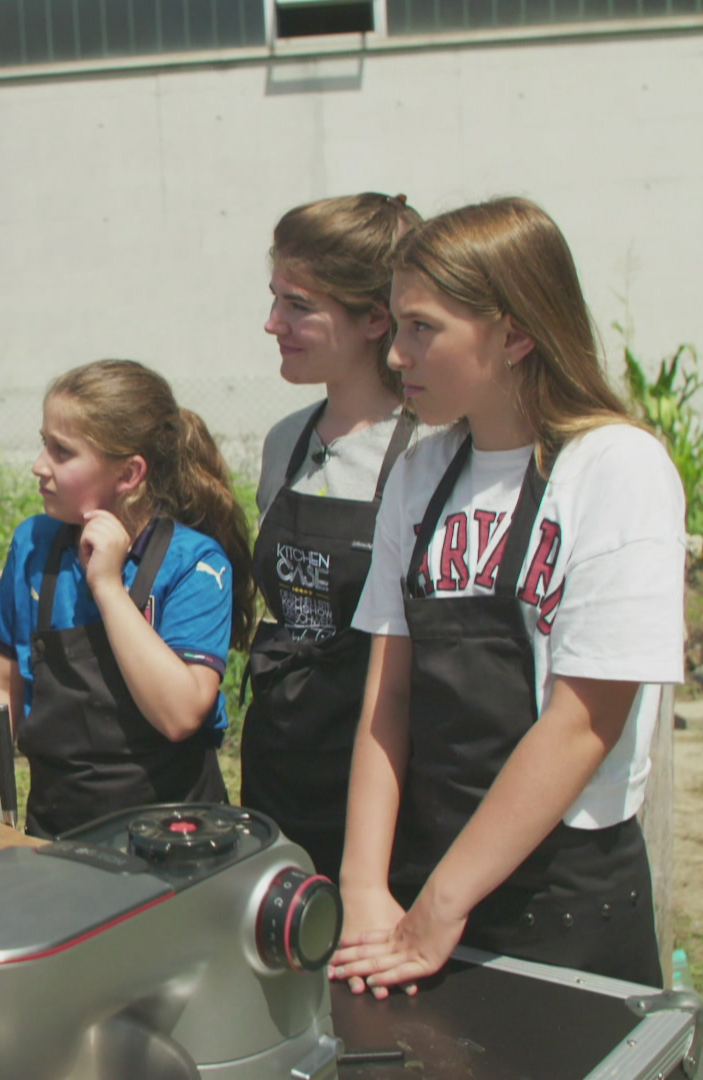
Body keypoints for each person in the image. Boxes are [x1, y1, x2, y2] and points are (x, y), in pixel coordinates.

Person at [330, 198, 686, 996]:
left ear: (516, 333)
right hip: (425, 883)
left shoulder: (615, 470)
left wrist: (440, 908)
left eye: (423, 328)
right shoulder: (419, 478)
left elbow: (584, 721)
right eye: (394, 325)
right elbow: (386, 702)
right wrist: (364, 886)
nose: (395, 355)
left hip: (563, 900)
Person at [0, 360, 256, 837]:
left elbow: (181, 714)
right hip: (56, 838)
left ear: (128, 473)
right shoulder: (33, 546)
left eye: (61, 452)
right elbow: (2, 687)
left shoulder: (193, 564)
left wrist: (107, 586)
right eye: (44, 442)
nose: (38, 465)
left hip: (175, 845)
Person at [241, 194, 424, 882]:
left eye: (298, 305)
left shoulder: (425, 453)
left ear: (376, 318)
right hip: (279, 769)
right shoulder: (285, 443)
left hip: (382, 785)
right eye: (274, 298)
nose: (271, 323)